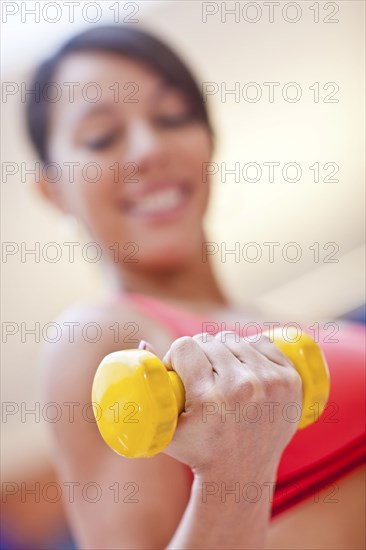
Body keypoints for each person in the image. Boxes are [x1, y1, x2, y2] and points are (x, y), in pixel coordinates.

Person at [26, 25, 365, 549]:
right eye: (101, 137)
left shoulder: (263, 322)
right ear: (52, 190)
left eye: (173, 117)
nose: (147, 149)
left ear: (209, 139)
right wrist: (236, 472)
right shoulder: (100, 336)